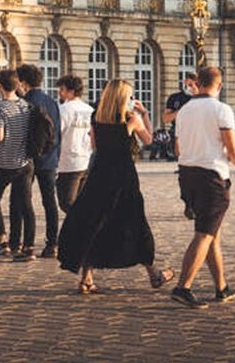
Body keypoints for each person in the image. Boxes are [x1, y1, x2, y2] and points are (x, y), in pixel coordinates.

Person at [56, 79, 172, 294]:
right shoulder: (131, 118)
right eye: (129, 96)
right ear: (122, 98)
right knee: (135, 223)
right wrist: (145, 115)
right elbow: (148, 141)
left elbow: (94, 146)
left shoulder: (96, 117)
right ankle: (153, 272)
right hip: (123, 176)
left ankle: (86, 278)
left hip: (99, 175)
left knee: (94, 223)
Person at [171, 64, 235, 309]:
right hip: (211, 178)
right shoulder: (221, 109)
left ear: (199, 83)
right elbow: (232, 148)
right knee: (204, 234)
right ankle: (182, 287)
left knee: (211, 234)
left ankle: (221, 287)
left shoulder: (184, 111)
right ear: (219, 85)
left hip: (186, 175)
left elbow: (177, 148)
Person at [0, 68, 34, 260]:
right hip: (26, 162)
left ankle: (1, 241)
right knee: (26, 205)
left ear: (0, 86)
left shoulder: (0, 108)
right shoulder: (26, 105)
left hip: (6, 163)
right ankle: (28, 247)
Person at [16, 64, 62, 258]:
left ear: (23, 82)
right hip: (50, 157)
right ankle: (52, 244)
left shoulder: (24, 103)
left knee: (22, 201)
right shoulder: (51, 102)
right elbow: (58, 130)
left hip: (28, 159)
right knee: (49, 201)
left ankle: (24, 244)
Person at [55, 75, 93, 213]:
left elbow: (56, 134)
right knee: (79, 201)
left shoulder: (64, 109)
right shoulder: (89, 109)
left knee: (67, 203)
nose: (60, 92)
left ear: (71, 91)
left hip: (68, 161)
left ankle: (84, 230)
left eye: (62, 89)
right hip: (86, 159)